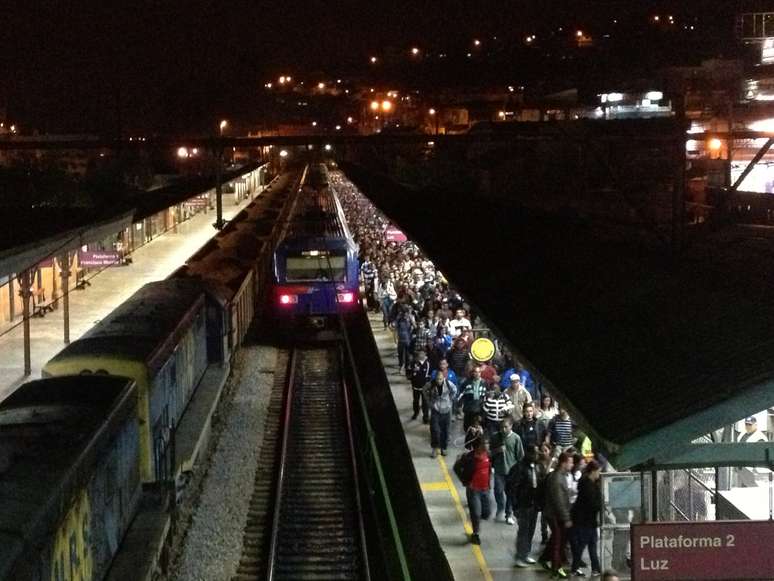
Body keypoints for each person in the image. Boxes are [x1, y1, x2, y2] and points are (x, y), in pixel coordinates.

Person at [512, 447, 548, 568]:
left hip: (534, 504)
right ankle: (519, 556)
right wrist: (515, 506)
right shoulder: (520, 468)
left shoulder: (537, 467)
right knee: (523, 531)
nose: (537, 455)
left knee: (531, 530)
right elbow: (513, 488)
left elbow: (541, 482)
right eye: (534, 453)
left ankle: (526, 553)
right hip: (523, 504)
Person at [539, 452, 573, 579]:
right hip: (554, 515)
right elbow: (559, 500)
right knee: (558, 542)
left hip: (555, 514)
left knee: (556, 539)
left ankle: (545, 559)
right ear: (564, 463)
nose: (572, 464)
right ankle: (556, 568)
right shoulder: (557, 479)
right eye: (570, 462)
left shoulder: (560, 476)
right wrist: (566, 518)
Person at [570, 460, 603, 577]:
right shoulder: (588, 486)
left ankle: (595, 568)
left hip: (587, 521)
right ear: (593, 471)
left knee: (591, 544)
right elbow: (592, 504)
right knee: (585, 544)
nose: (599, 474)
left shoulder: (588, 483)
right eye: (598, 472)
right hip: (586, 521)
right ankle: (576, 568)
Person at [490, 418, 524, 525]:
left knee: (510, 493)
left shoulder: (516, 438)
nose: (503, 429)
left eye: (506, 427)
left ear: (511, 426)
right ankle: (501, 506)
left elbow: (520, 455)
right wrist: (497, 450)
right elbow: (490, 452)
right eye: (502, 427)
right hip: (499, 469)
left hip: (512, 471)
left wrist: (519, 470)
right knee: (498, 490)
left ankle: (508, 514)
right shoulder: (496, 437)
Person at [424, 372, 457, 458]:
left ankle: (443, 448)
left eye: (441, 379)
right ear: (435, 378)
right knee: (434, 430)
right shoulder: (431, 384)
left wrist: (450, 399)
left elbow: (455, 390)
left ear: (444, 378)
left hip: (447, 410)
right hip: (436, 410)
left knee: (445, 431)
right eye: (437, 379)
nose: (439, 381)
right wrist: (429, 402)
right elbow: (424, 390)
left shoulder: (448, 384)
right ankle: (435, 448)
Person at [466, 437, 492, 545]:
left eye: (488, 443)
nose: (487, 445)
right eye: (485, 443)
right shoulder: (470, 457)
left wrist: (489, 482)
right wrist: (466, 482)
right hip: (474, 490)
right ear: (479, 445)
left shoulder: (488, 455)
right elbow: (457, 468)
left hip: (485, 489)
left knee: (487, 513)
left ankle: (475, 519)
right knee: (476, 513)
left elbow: (489, 469)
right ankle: (475, 534)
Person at [459, 366, 488, 431]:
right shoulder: (466, 383)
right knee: (467, 428)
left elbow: (486, 396)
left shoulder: (484, 383)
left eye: (479, 372)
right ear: (473, 373)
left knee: (479, 429)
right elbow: (461, 395)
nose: (477, 374)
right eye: (475, 372)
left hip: (480, 410)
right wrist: (460, 407)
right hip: (469, 409)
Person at [409, 349, 432, 422]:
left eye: (422, 353)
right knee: (415, 401)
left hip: (424, 387)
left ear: (425, 354)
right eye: (419, 353)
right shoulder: (414, 362)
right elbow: (409, 374)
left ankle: (425, 416)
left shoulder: (428, 363)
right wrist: (413, 371)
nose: (421, 355)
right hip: (415, 387)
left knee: (425, 402)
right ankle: (416, 412)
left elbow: (429, 376)